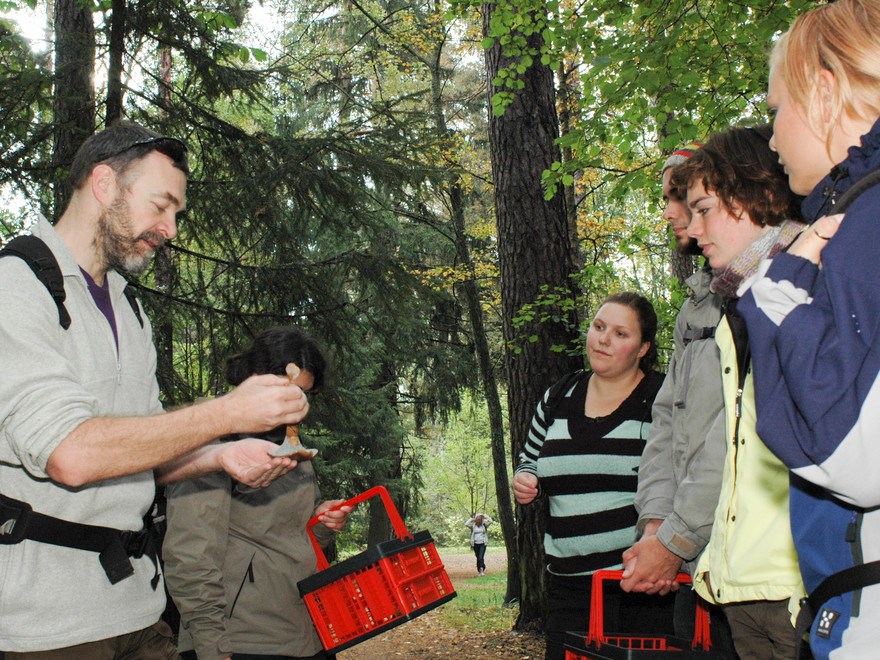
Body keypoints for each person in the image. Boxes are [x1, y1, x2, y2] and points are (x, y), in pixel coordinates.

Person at [0, 122, 307, 656]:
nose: (170, 228)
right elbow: (70, 454)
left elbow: (145, 453)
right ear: (103, 183)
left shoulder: (128, 306)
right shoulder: (16, 287)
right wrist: (226, 413)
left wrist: (221, 456)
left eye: (176, 214)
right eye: (161, 205)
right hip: (47, 625)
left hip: (138, 608)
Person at [737, 1, 880, 655]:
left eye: (775, 111)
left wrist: (776, 304)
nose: (770, 139)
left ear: (823, 91)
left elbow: (849, 456)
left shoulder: (864, 223)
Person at [673, 125, 806, 659]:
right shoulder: (736, 302)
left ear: (763, 196)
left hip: (798, 585)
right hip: (743, 581)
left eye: (704, 209)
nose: (691, 226)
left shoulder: (807, 284)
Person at [164, 326, 352, 660]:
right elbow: (190, 555)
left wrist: (322, 522)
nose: (295, 402)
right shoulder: (212, 438)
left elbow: (288, 538)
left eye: (304, 394)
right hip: (243, 641)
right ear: (255, 376)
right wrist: (212, 648)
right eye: (288, 389)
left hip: (303, 631)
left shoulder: (290, 441)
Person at [512, 292, 669, 660]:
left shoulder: (660, 397)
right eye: (599, 327)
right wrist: (525, 480)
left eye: (620, 333)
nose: (603, 339)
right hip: (566, 586)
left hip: (636, 586)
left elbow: (681, 476)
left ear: (643, 347)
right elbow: (529, 460)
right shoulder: (558, 395)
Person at [621, 143, 733, 650]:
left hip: (740, 561)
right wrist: (656, 524)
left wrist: (676, 538)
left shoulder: (751, 296)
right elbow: (667, 424)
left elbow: (732, 434)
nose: (667, 211)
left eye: (678, 197)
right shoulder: (694, 307)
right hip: (694, 563)